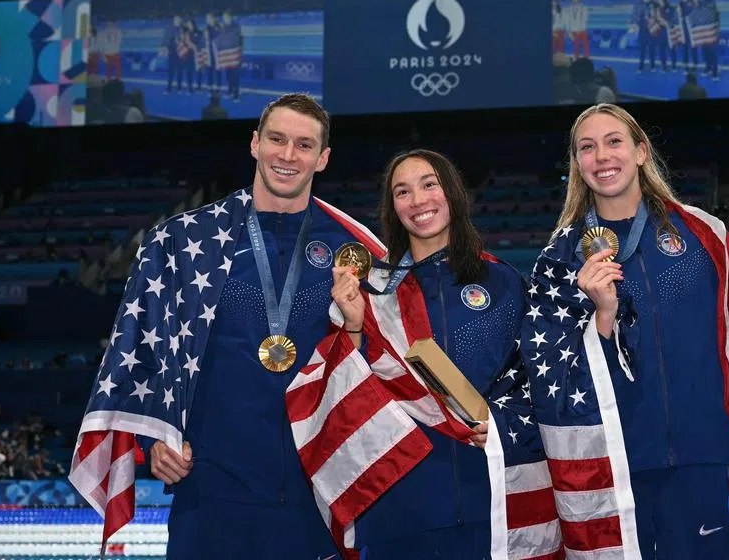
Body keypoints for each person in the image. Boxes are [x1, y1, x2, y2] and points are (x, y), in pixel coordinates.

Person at [69, 93, 388, 559]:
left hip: (319, 493)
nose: (287, 155)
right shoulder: (185, 240)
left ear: (323, 159)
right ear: (255, 144)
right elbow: (145, 347)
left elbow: (386, 361)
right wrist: (155, 434)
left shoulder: (357, 250)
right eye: (276, 140)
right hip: (210, 491)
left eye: (303, 145)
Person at [525, 103, 729, 559]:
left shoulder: (703, 232)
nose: (602, 156)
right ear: (577, 164)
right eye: (587, 148)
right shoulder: (561, 257)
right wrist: (603, 318)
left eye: (614, 142)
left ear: (641, 151)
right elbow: (551, 373)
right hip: (613, 460)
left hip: (698, 453)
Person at [339, 149, 559, 560]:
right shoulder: (370, 293)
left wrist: (505, 424)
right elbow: (346, 395)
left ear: (453, 193)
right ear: (392, 208)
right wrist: (352, 324)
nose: (418, 201)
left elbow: (540, 381)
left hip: (489, 501)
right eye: (402, 192)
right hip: (401, 507)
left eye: (428, 185)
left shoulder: (506, 283)